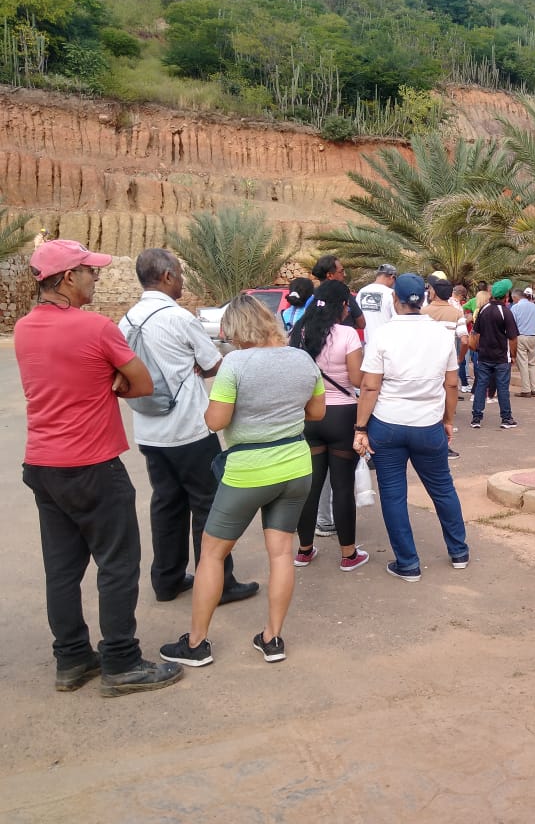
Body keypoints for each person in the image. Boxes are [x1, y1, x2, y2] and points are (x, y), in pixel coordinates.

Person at [16, 239, 184, 696]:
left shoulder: (25, 327)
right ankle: (121, 663)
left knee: (63, 569)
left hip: (43, 466)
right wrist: (111, 386)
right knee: (117, 564)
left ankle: (71, 660)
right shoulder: (95, 328)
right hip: (92, 464)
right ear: (68, 277)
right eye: (90, 271)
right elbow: (143, 383)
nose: (97, 277)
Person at [160, 295, 325, 668]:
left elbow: (216, 421)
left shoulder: (235, 363)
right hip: (296, 466)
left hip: (248, 471)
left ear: (235, 329)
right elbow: (316, 411)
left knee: (212, 554)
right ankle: (272, 638)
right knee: (282, 553)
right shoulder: (302, 358)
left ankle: (197, 643)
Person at [120, 249, 258, 606]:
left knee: (166, 504)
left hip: (149, 431)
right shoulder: (178, 318)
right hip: (190, 430)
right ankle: (220, 583)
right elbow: (213, 364)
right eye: (179, 274)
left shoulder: (127, 320)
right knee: (209, 504)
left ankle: (167, 580)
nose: (182, 280)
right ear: (166, 276)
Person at [353, 273, 469, 582]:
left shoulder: (383, 335)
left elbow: (370, 388)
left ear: (395, 299)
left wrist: (360, 428)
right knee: (443, 488)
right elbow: (451, 383)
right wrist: (447, 420)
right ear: (426, 297)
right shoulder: (440, 335)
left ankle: (408, 564)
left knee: (393, 495)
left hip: (388, 425)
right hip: (428, 424)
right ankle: (459, 552)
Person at [288, 281, 369, 571]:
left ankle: (304, 550)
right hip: (342, 416)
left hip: (309, 415)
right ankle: (348, 555)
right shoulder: (347, 334)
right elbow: (358, 380)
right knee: (342, 487)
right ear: (342, 306)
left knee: (310, 487)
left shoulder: (299, 332)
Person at [422, 276, 468, 459]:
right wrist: (459, 357)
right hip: (446, 365)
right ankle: (443, 445)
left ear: (432, 292)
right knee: (445, 402)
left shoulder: (423, 312)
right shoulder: (457, 313)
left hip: (425, 365)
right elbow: (464, 339)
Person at [470, 279, 519, 428]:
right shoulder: (505, 312)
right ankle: (506, 418)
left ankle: (476, 418)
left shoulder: (483, 310)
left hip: (484, 355)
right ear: (506, 296)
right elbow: (512, 338)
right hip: (501, 357)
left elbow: (475, 333)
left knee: (481, 386)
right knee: (502, 387)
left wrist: (477, 349)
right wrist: (514, 355)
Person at [312, 255, 365, 331]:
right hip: (344, 340)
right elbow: (362, 323)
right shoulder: (345, 296)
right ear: (330, 275)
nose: (345, 275)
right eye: (341, 272)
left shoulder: (312, 296)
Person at [511, 287, 535, 396]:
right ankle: (534, 388)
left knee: (523, 364)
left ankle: (526, 389)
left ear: (516, 297)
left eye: (513, 299)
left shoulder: (515, 308)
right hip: (533, 337)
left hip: (521, 337)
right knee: (532, 363)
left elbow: (511, 325)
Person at [357, 263, 397, 344]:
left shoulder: (361, 292)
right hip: (386, 345)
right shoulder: (391, 293)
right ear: (392, 277)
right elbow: (396, 320)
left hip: (367, 345)